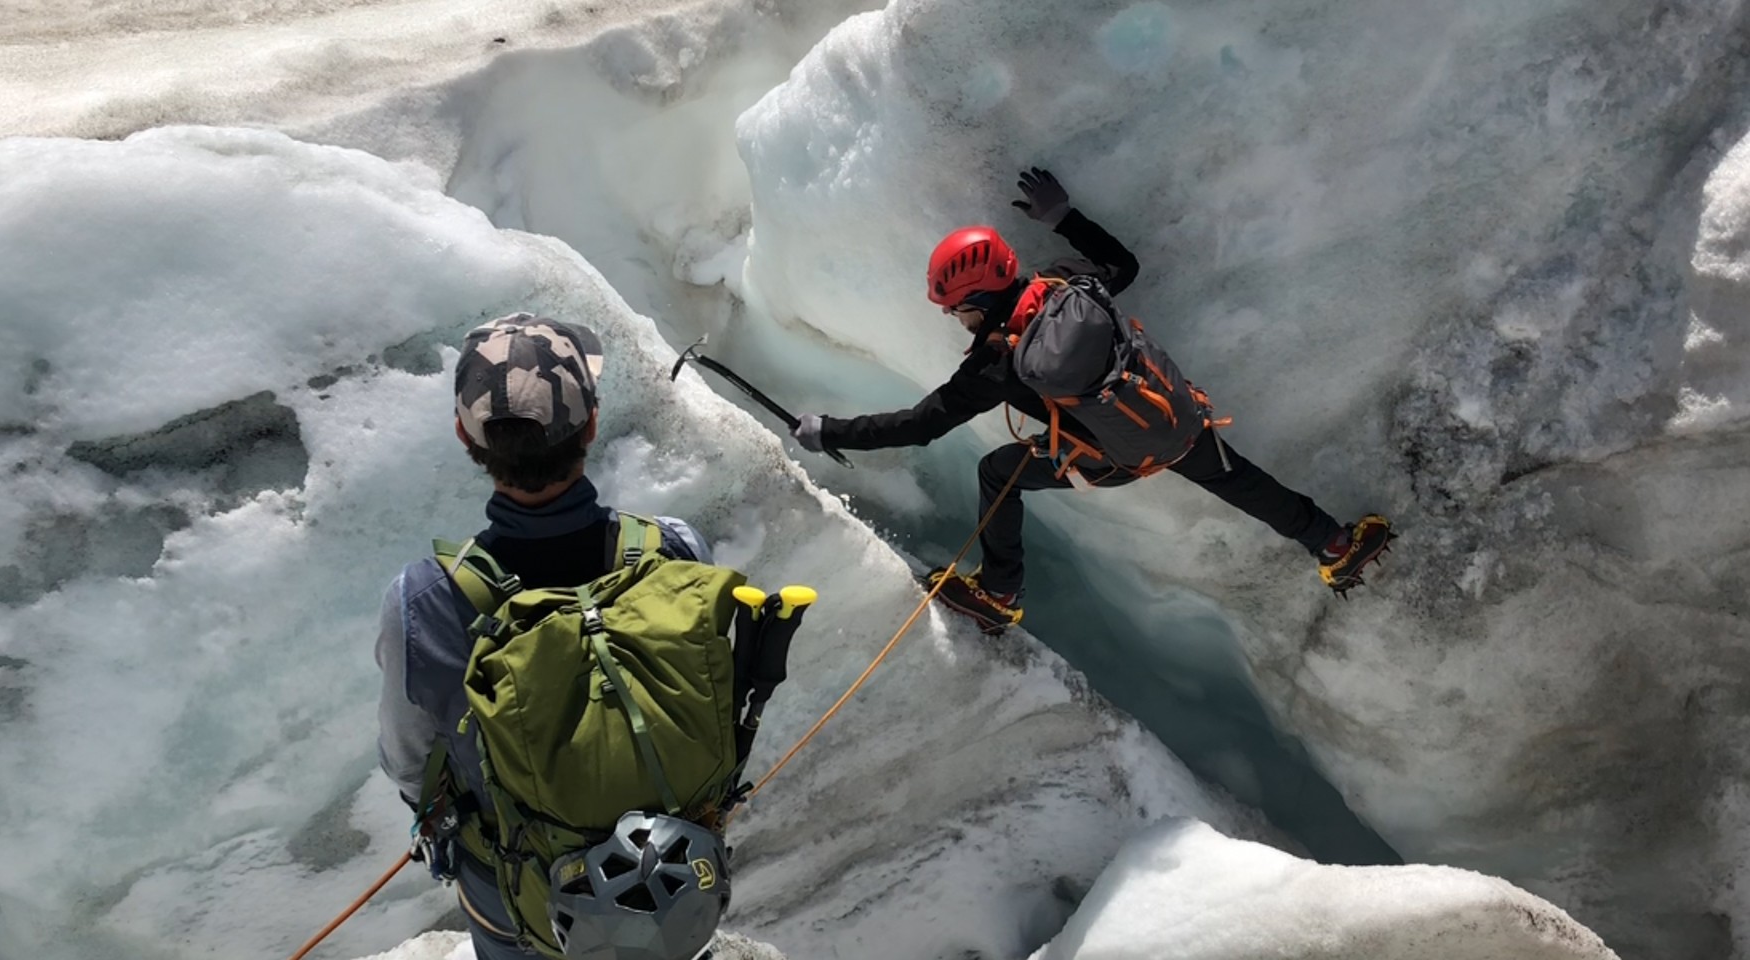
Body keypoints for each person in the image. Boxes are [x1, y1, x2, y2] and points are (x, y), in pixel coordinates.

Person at [791, 169, 1391, 632]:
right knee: (1238, 479)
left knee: (999, 472)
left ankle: (999, 594)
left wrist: (830, 431)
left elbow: (918, 426)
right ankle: (1336, 545)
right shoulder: (1064, 280)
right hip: (1171, 409)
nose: (955, 318)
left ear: (976, 298)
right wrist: (1063, 215)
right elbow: (1121, 263)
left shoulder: (992, 365)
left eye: (955, 308)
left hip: (1113, 458)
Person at [374, 313, 723, 960]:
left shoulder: (424, 600)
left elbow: (407, 763)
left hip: (519, 894)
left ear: (464, 435)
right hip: (664, 871)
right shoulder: (675, 550)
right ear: (591, 423)